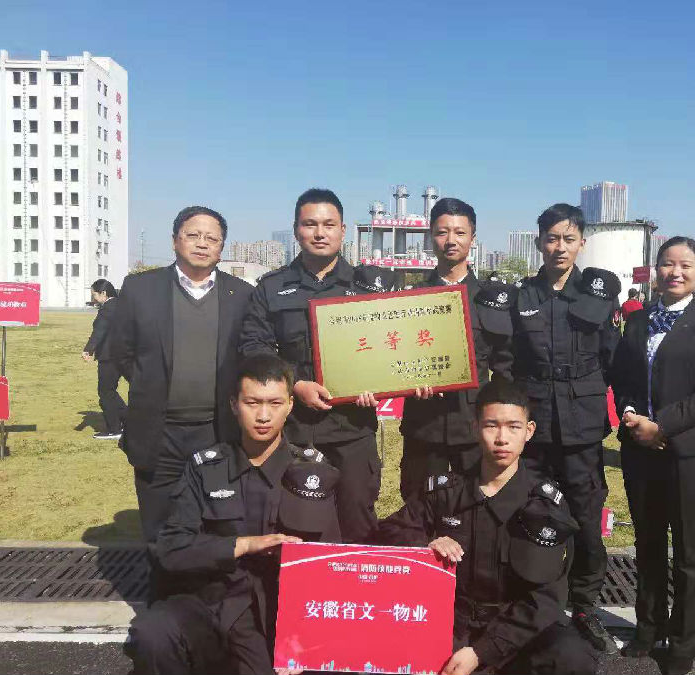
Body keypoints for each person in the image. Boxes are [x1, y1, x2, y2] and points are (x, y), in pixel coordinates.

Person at [127, 354, 341, 675]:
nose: (263, 416)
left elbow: (330, 562)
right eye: (252, 403)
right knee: (153, 634)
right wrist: (242, 545)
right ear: (234, 404)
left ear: (290, 405)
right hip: (211, 601)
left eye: (274, 403)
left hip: (275, 609)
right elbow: (171, 548)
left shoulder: (312, 472)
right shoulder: (205, 468)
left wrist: (305, 636)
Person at [375, 380, 598, 675]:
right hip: (452, 625)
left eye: (514, 427)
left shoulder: (544, 506)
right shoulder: (447, 492)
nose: (502, 439)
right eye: (492, 426)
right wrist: (425, 546)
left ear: (529, 431)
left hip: (514, 633)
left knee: (572, 656)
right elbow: (390, 531)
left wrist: (483, 651)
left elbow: (544, 599)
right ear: (474, 428)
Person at [238, 188, 393, 543]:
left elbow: (389, 348)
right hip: (292, 430)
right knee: (294, 522)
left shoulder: (369, 287)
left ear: (343, 230)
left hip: (353, 428)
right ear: (296, 230)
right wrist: (295, 385)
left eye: (329, 224)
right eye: (310, 224)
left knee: (357, 520)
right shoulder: (272, 288)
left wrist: (381, 383)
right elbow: (254, 347)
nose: (319, 233)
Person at [610, 236, 695, 675]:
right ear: (656, 269)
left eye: (685, 265)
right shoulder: (637, 321)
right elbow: (623, 378)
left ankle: (682, 643)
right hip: (639, 451)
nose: (674, 272)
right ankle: (648, 628)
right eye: (667, 263)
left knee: (689, 551)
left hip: (688, 455)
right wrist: (630, 414)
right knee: (647, 544)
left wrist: (660, 425)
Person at [110, 206, 254, 574]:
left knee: (217, 520)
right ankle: (162, 595)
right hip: (159, 432)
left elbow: (249, 355)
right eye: (193, 235)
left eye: (212, 238)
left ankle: (211, 596)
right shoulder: (140, 289)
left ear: (221, 247)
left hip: (217, 431)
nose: (202, 244)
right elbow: (121, 351)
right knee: (160, 523)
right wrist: (152, 385)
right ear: (175, 240)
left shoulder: (241, 294)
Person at [508, 203, 620, 653]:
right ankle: (534, 603)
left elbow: (612, 357)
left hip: (581, 427)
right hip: (534, 428)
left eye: (568, 239)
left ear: (581, 244)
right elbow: (509, 362)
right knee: (530, 515)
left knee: (586, 521)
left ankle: (586, 606)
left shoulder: (597, 295)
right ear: (539, 242)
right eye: (552, 238)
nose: (560, 246)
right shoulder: (521, 296)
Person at [398, 197, 513, 500]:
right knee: (419, 507)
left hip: (473, 426)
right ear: (430, 237)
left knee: (477, 506)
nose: (451, 240)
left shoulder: (489, 299)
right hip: (423, 423)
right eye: (442, 232)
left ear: (473, 238)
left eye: (460, 232)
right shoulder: (409, 300)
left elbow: (505, 366)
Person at [82, 278, 126, 440]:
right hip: (123, 355)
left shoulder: (107, 308)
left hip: (110, 356)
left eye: (94, 295)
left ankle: (115, 429)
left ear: (103, 293)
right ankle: (129, 421)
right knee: (110, 391)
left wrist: (88, 349)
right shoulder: (122, 305)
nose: (93, 298)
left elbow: (99, 331)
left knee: (105, 391)